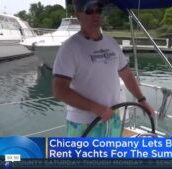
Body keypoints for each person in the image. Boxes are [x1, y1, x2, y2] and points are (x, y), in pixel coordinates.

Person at [52, 0, 154, 137]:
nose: (96, 15)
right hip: (84, 124)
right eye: (89, 11)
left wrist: (142, 100)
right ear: (78, 15)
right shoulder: (69, 48)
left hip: (112, 118)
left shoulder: (111, 43)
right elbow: (60, 91)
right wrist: (96, 108)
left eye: (99, 10)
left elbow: (127, 75)